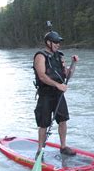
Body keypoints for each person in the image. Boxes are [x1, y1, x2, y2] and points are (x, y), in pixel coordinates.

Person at [33, 30, 79, 158]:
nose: (58, 44)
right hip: (45, 95)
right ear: (48, 43)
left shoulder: (59, 56)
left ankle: (63, 147)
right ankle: (39, 151)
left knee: (63, 120)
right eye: (56, 42)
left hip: (58, 94)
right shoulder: (40, 56)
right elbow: (42, 76)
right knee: (44, 124)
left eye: (59, 42)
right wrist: (58, 85)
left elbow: (67, 74)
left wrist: (74, 64)